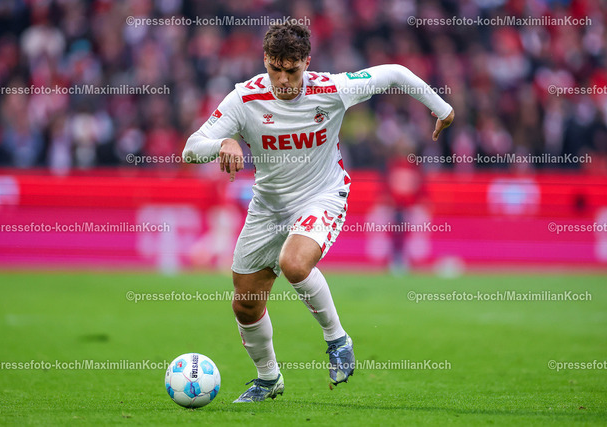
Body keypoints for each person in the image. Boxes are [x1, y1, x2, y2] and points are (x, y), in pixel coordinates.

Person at [183, 23, 454, 403]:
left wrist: (443, 110)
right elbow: (191, 149)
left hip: (322, 196)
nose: (283, 80)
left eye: (292, 70)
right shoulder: (245, 98)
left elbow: (394, 73)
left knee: (294, 263)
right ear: (265, 60)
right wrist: (222, 143)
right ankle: (268, 379)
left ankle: (337, 340)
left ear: (307, 63)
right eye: (275, 69)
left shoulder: (332, 89)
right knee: (245, 303)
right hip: (268, 208)